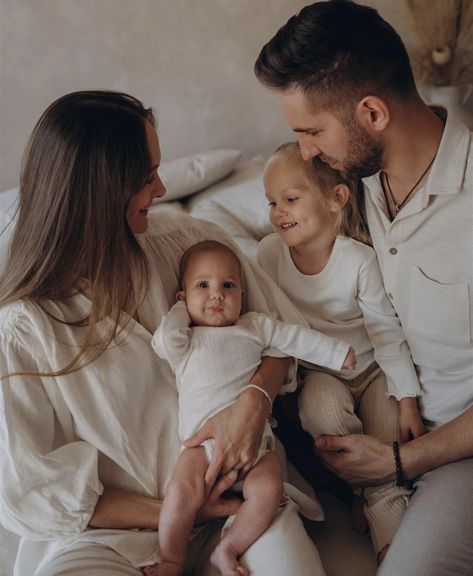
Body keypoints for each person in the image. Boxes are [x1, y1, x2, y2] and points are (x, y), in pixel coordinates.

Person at [0, 90, 329, 576]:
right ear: (100, 191)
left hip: (241, 508)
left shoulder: (186, 245)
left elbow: (284, 337)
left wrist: (255, 402)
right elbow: (31, 492)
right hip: (108, 540)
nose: (160, 188)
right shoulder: (24, 331)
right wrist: (179, 510)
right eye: (146, 176)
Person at [254, 1, 473, 575]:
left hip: (454, 450)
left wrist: (400, 460)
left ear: (372, 113)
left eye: (310, 132)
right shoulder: (357, 187)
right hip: (368, 414)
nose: (306, 152)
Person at [150, 239, 354, 576]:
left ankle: (227, 548)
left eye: (227, 286)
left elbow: (294, 339)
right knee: (180, 493)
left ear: (242, 295)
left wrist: (335, 354)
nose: (217, 294)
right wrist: (180, 311)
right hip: (201, 447)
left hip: (257, 447)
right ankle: (173, 557)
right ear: (183, 296)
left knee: (270, 489)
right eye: (203, 286)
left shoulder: (254, 327)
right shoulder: (185, 340)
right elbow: (162, 341)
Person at [258, 142, 423, 560]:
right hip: (320, 373)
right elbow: (267, 325)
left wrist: (406, 400)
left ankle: (391, 540)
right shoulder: (268, 255)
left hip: (372, 370)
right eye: (272, 202)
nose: (279, 212)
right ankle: (358, 489)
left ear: (337, 199)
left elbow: (387, 331)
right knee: (322, 416)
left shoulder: (358, 260)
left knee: (387, 445)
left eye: (291, 199)